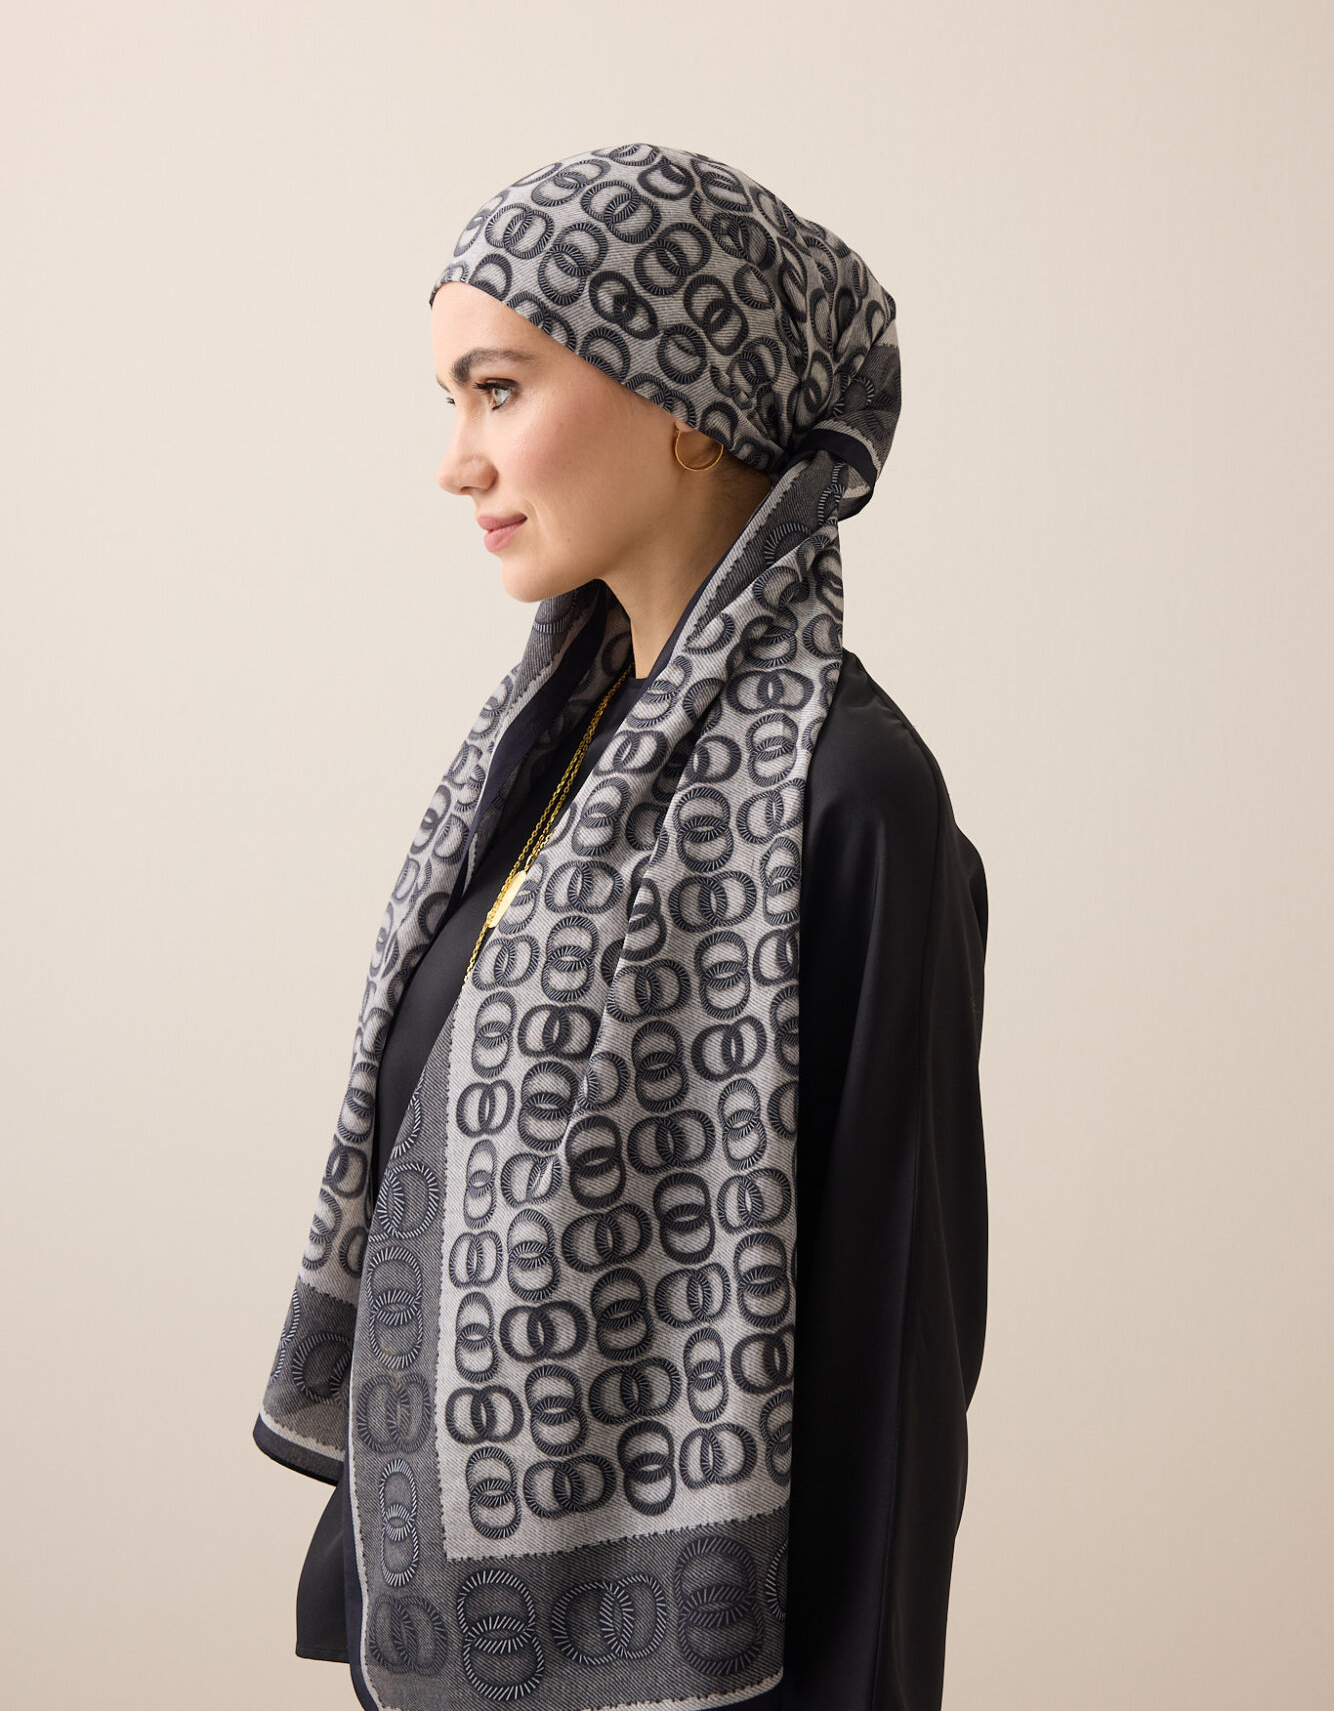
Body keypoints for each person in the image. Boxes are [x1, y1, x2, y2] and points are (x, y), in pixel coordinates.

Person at [254, 143, 989, 1711]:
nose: (457, 462)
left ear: (685, 402)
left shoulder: (849, 796)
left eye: (497, 390)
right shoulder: (537, 764)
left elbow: (890, 1362)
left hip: (709, 1673)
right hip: (449, 1641)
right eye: (451, 400)